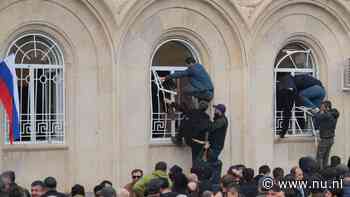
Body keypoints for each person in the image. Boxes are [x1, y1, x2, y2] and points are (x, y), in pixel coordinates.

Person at [207, 104, 228, 188]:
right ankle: (214, 181)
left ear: (220, 111)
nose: (215, 111)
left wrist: (207, 123)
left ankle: (215, 183)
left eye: (216, 110)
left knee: (213, 162)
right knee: (212, 162)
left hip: (216, 146)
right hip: (214, 145)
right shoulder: (219, 119)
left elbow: (212, 127)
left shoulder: (221, 120)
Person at [314, 101, 339, 169]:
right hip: (331, 139)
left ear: (327, 108)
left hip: (325, 139)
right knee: (326, 156)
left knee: (319, 156)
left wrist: (317, 112)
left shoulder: (327, 115)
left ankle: (319, 172)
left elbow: (316, 117)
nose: (321, 108)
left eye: (322, 107)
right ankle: (325, 171)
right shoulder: (334, 114)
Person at [276, 72, 297, 138]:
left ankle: (282, 132)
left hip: (286, 92)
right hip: (288, 93)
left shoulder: (284, 79)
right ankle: (282, 132)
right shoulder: (290, 78)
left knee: (286, 113)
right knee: (287, 113)